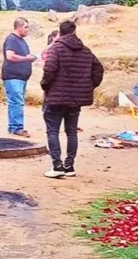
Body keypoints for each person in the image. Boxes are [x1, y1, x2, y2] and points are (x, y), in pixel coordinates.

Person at [39, 20, 105, 179]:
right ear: (74, 32)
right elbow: (98, 69)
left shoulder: (55, 48)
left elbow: (49, 69)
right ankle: (69, 166)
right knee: (71, 133)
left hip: (55, 98)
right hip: (76, 100)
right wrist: (89, 86)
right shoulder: (86, 51)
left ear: (60, 32)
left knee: (52, 131)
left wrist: (45, 84)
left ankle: (57, 166)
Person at [1, 17, 36, 137]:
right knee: (17, 102)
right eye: (26, 27)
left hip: (20, 77)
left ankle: (13, 127)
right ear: (19, 27)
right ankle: (17, 127)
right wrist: (27, 58)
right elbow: (10, 56)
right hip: (13, 76)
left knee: (15, 102)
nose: (28, 30)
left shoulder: (21, 40)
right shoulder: (12, 39)